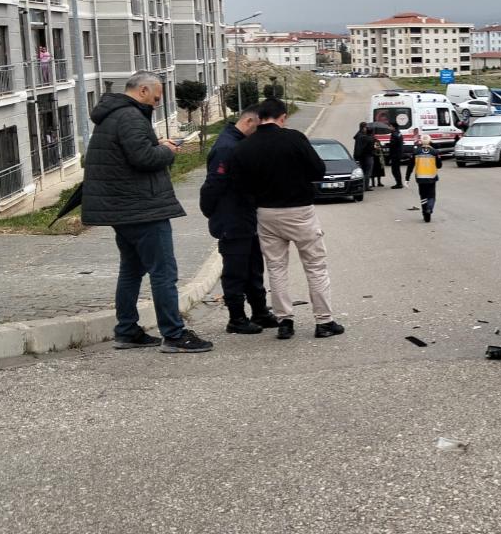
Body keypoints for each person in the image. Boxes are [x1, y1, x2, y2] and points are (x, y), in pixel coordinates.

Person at [82, 71, 212, 354]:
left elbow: (132, 154)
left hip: (123, 209)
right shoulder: (130, 116)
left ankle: (127, 331)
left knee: (131, 270)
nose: (156, 103)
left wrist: (157, 146)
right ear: (142, 90)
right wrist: (167, 150)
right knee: (163, 272)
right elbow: (144, 157)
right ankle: (174, 334)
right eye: (155, 97)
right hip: (142, 209)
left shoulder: (113, 115)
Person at [229, 98, 345, 341]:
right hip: (300, 211)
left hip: (267, 213)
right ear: (283, 117)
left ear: (259, 118)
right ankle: (324, 322)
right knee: (315, 266)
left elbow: (239, 185)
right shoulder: (294, 138)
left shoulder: (245, 147)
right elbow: (318, 170)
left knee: (276, 268)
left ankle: (285, 322)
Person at [199, 106, 278, 335]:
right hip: (232, 220)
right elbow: (213, 185)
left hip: (246, 217)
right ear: (249, 122)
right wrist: (212, 212)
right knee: (235, 271)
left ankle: (260, 312)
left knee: (253, 268)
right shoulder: (227, 147)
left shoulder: (239, 143)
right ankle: (236, 318)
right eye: (259, 128)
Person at [405, 134, 443, 222]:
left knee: (423, 196)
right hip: (431, 178)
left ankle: (425, 213)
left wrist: (407, 178)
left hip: (420, 178)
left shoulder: (416, 152)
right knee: (431, 196)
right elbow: (439, 165)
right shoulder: (435, 152)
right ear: (430, 141)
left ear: (421, 141)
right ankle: (429, 208)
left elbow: (410, 166)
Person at [352, 122, 375, 192]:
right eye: (366, 127)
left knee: (363, 171)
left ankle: (363, 185)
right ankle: (365, 186)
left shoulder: (358, 135)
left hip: (360, 156)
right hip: (366, 156)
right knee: (367, 171)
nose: (367, 129)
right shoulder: (363, 137)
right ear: (363, 128)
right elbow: (368, 145)